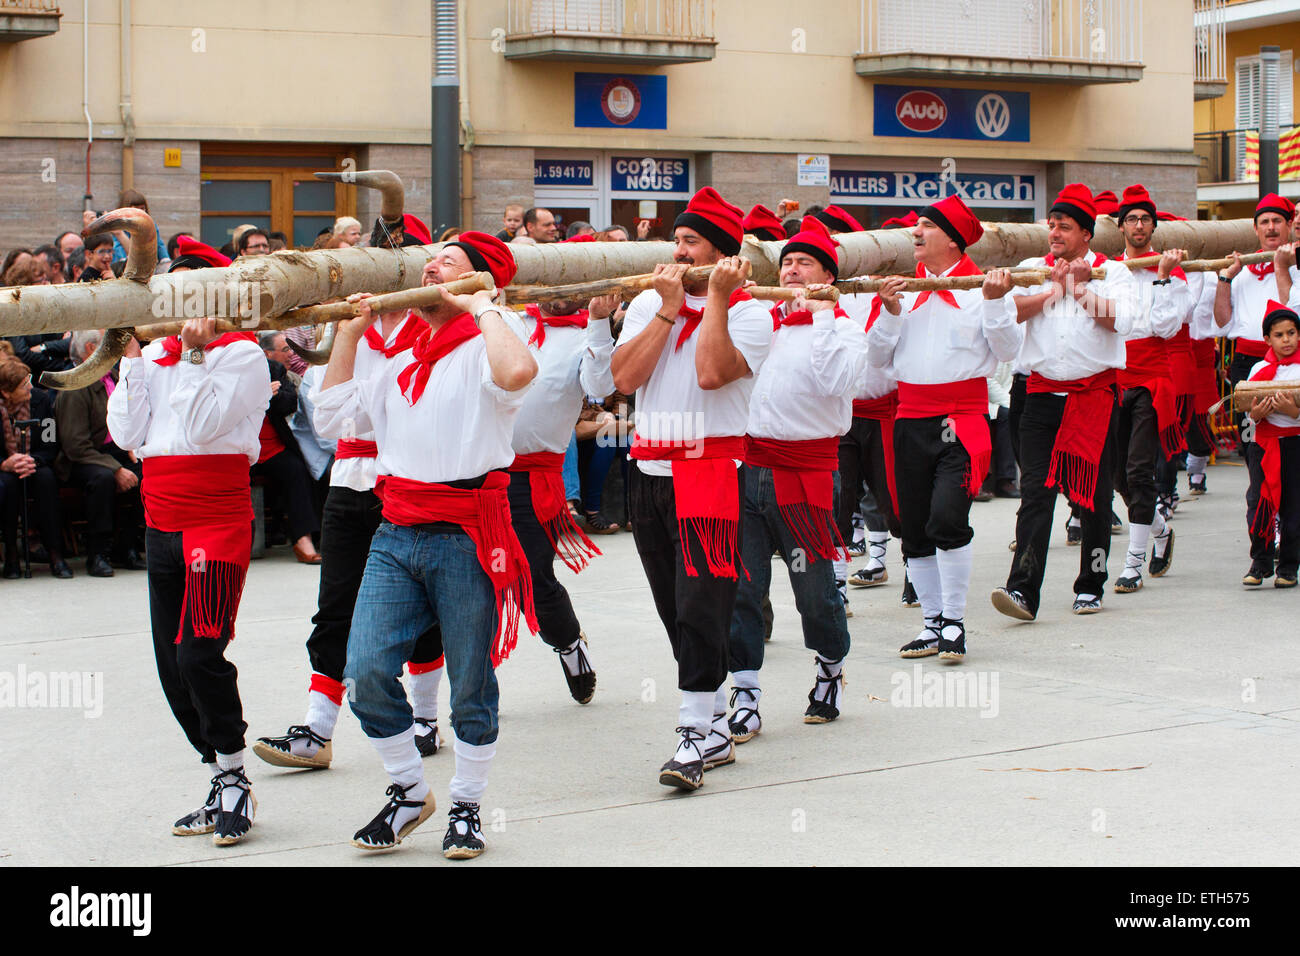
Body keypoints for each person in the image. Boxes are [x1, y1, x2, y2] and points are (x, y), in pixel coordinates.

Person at [313, 231, 537, 859]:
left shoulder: (494, 335)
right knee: (363, 672)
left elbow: (519, 372)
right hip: (396, 528)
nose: (432, 266)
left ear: (478, 283)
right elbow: (332, 420)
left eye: (451, 263)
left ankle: (467, 805)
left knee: (471, 682)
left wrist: (482, 303)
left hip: (468, 532)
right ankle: (410, 789)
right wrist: (352, 334)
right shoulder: (396, 348)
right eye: (430, 260)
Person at [256, 215, 449, 772]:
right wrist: (348, 332)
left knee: (423, 608)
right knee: (334, 606)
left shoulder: (431, 322)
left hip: (412, 480)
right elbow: (324, 418)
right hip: (350, 480)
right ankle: (318, 730)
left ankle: (428, 715)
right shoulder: (345, 323)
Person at [105, 236, 272, 845]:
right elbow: (127, 432)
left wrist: (197, 356)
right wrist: (129, 358)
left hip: (217, 522)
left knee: (200, 653)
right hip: (161, 520)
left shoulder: (244, 356)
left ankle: (234, 776)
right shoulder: (154, 355)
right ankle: (218, 772)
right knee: (167, 663)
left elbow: (203, 430)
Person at [611, 186, 772, 792]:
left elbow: (710, 374)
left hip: (709, 472)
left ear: (722, 253)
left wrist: (718, 304)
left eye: (690, 242)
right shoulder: (656, 305)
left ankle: (692, 733)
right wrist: (667, 310)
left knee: (702, 603)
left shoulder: (753, 312)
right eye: (675, 240)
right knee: (671, 607)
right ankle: (712, 724)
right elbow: (622, 378)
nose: (677, 252)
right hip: (649, 472)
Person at [726, 216, 866, 742]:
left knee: (813, 591)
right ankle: (746, 692)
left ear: (828, 275)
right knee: (742, 587)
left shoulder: (848, 329)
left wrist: (825, 314)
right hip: (752, 467)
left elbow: (834, 380)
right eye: (786, 262)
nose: (791, 270)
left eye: (804, 262)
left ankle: (830, 668)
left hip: (807, 473)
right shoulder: (764, 320)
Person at [867, 196, 1021, 661]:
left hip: (962, 419)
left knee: (947, 519)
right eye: (915, 224)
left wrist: (995, 304)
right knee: (912, 527)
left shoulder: (984, 288)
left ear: (952, 239)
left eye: (926, 226)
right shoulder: (902, 290)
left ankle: (954, 621)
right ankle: (931, 624)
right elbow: (877, 360)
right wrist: (890, 312)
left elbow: (1009, 348)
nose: (915, 232)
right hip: (909, 418)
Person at [991, 184, 1140, 620]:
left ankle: (1091, 583)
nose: (1054, 232)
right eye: (1051, 225)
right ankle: (1023, 591)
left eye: (1065, 227)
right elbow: (1010, 310)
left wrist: (1079, 291)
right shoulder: (1033, 267)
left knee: (1093, 494)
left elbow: (1123, 321)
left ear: (1087, 234)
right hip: (1039, 396)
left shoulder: (1113, 273)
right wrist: (1051, 293)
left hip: (1094, 397)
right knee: (1036, 492)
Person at [508, 291, 617, 702]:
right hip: (475, 472)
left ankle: (569, 643)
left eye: (570, 286)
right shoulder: (509, 321)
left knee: (532, 581)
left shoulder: (587, 336)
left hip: (532, 480)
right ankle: (473, 692)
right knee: (471, 583)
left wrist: (599, 321)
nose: (557, 295)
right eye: (551, 283)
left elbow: (601, 385)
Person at [1109, 185, 1189, 595]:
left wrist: (1161, 278)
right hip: (1116, 377)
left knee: (1141, 471)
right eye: (1131, 219)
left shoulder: (1173, 275)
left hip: (1152, 380)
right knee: (1118, 475)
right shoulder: (1110, 271)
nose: (1138, 225)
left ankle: (1133, 564)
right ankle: (1159, 529)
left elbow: (1165, 328)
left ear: (1154, 226)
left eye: (1145, 219)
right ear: (1121, 226)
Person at [54, 330, 145, 576]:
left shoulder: (113, 376)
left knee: (148, 472)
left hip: (116, 449)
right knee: (103, 479)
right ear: (92, 349)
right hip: (82, 458)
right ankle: (98, 553)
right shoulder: (75, 386)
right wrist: (115, 469)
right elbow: (75, 446)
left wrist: (132, 449)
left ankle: (126, 546)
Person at [1243, 301, 1300, 587]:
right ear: (1267, 339)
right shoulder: (1259, 369)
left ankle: (1289, 566)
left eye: (1291, 333)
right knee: (1259, 503)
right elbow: (1247, 411)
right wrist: (1256, 414)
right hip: (1263, 445)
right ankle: (1260, 562)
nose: (1286, 340)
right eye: (1279, 335)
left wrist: (1294, 412)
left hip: (1294, 445)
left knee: (1293, 507)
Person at [252, 332, 321, 564]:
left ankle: (303, 540)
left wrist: (271, 397)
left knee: (297, 471)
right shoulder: (225, 370)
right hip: (240, 451)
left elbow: (289, 402)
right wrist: (260, 394)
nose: (291, 354)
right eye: (286, 350)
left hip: (273, 448)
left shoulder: (273, 369)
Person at [0, 359, 71, 579]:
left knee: (46, 480)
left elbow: (51, 442)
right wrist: (4, 463)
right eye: (24, 384)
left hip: (36, 462)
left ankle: (55, 554)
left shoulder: (40, 401)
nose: (30, 387)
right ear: (6, 392)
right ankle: (12, 555)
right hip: (5, 466)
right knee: (7, 485)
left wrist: (32, 461)